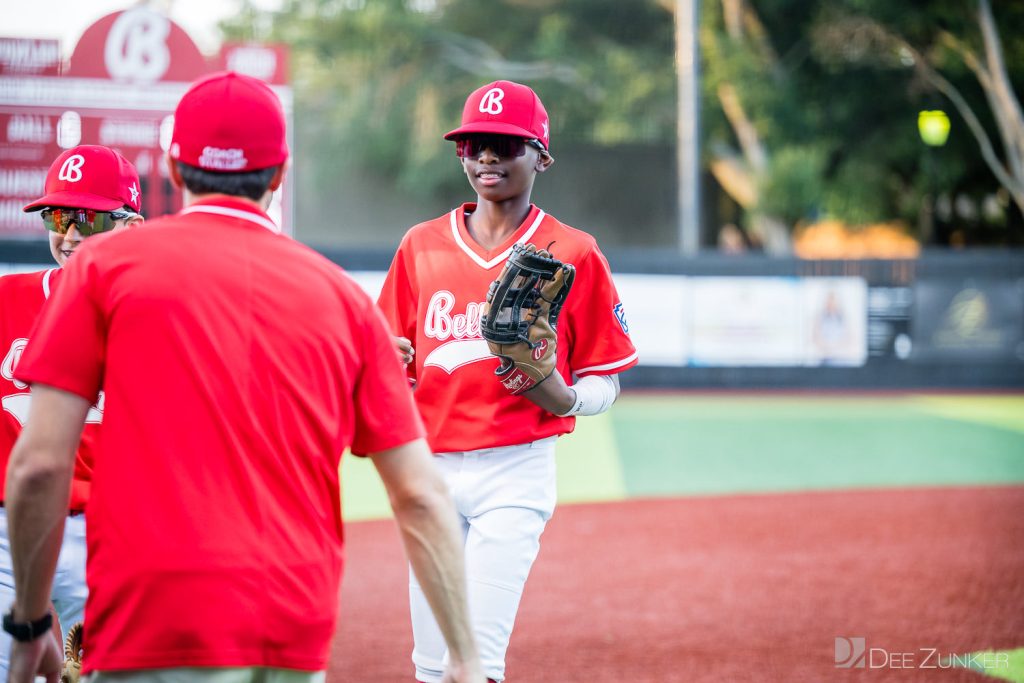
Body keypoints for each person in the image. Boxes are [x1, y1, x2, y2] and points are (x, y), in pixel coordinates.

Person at [4, 71, 484, 683]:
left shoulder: (101, 273)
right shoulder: (342, 298)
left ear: (175, 171)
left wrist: (30, 624)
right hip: (288, 619)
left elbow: (39, 465)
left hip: (148, 617)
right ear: (279, 174)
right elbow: (419, 494)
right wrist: (465, 658)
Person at [377, 80, 638, 683]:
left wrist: (561, 392)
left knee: (479, 663)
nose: (487, 157)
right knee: (429, 665)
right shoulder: (421, 246)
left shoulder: (573, 251)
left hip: (514, 472)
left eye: (505, 145)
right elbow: (392, 358)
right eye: (473, 145)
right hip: (430, 471)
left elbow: (606, 380)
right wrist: (383, 363)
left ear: (540, 155)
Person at [0, 144, 144, 679]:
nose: (71, 233)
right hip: (11, 531)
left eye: (90, 216)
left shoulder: (155, 314)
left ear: (132, 224)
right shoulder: (6, 300)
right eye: (58, 215)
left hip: (108, 536)